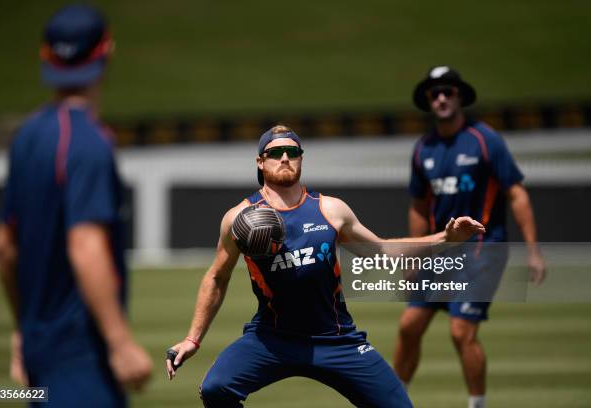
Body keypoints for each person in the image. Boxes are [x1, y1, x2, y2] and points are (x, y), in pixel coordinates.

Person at [165, 124, 485, 407]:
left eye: (293, 151)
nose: (285, 157)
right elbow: (217, 277)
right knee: (216, 389)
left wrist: (447, 237)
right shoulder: (239, 219)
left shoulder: (331, 210)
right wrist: (193, 339)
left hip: (335, 339)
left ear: (302, 158)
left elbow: (383, 252)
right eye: (275, 153)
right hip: (272, 338)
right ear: (260, 162)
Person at [0, 5, 152, 406]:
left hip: (39, 352)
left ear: (46, 56)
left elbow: (5, 248)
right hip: (81, 355)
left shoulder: (27, 135)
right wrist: (120, 343)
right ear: (106, 51)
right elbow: (85, 246)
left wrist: (23, 331)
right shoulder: (89, 143)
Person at [393, 66, 546, 408]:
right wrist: (413, 255)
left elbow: (516, 193)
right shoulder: (424, 148)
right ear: (429, 102)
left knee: (461, 332)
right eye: (435, 94)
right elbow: (419, 206)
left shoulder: (485, 140)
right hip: (440, 252)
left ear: (460, 96)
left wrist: (533, 250)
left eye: (448, 91)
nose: (442, 98)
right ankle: (393, 401)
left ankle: (477, 405)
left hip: (482, 250)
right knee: (408, 326)